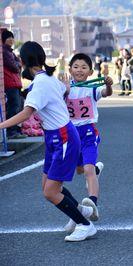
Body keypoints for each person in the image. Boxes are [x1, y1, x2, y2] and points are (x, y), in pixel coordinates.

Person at [0, 41, 96, 242]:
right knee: (49, 186)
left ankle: (85, 225)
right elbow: (65, 90)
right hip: (56, 137)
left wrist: (1, 126)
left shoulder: (40, 86)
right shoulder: (48, 79)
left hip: (63, 138)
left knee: (50, 192)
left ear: (23, 61)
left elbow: (26, 113)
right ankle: (82, 211)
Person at [63, 53, 113, 233]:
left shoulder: (92, 88)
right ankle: (96, 170)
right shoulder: (64, 88)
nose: (79, 70)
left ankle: (93, 203)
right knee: (80, 170)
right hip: (71, 135)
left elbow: (106, 92)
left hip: (89, 133)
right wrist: (64, 90)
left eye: (84, 67)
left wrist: (108, 84)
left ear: (90, 72)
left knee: (88, 170)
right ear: (70, 70)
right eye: (76, 66)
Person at [2, 29, 26, 139]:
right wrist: (18, 64)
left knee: (18, 107)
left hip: (15, 83)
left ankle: (16, 130)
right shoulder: (4, 51)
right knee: (13, 108)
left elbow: (19, 64)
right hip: (10, 84)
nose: (11, 39)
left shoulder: (10, 52)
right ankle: (12, 132)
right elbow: (15, 67)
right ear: (3, 40)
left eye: (12, 37)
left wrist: (18, 64)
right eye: (8, 38)